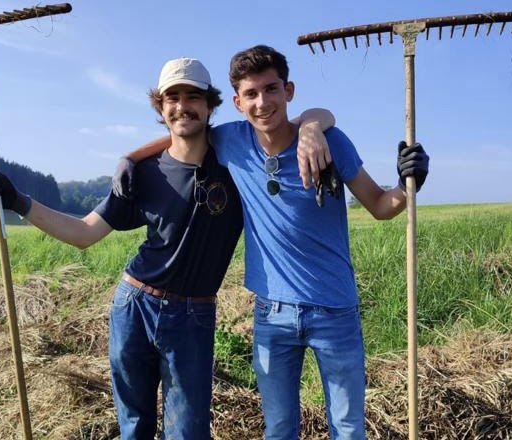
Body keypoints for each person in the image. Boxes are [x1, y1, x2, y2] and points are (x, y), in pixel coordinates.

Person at [0, 56, 335, 440]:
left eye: (193, 97)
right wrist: (19, 201)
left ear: (211, 104)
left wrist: (312, 126)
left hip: (193, 317)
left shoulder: (235, 160)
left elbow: (309, 117)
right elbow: (84, 232)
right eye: (173, 98)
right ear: (161, 107)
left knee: (188, 432)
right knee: (135, 427)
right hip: (134, 306)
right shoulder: (142, 175)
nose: (183, 106)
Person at [114, 45, 430, 440]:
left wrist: (406, 183)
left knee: (348, 428)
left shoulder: (330, 142)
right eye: (251, 94)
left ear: (289, 91)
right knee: (279, 429)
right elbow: (184, 133)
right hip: (272, 315)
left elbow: (381, 206)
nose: (262, 102)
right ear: (236, 102)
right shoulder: (231, 141)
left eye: (271, 89)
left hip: (335, 312)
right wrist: (130, 156)